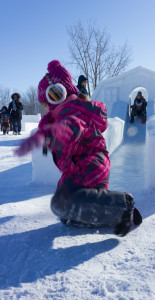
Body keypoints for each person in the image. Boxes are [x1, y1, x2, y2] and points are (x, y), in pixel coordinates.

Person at [14, 60, 142, 237]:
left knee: (62, 204)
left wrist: (48, 134)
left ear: (60, 95)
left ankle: (122, 206)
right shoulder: (68, 113)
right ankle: (113, 212)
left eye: (46, 104)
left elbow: (72, 127)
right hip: (86, 169)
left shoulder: (72, 111)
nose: (45, 110)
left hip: (89, 166)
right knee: (65, 211)